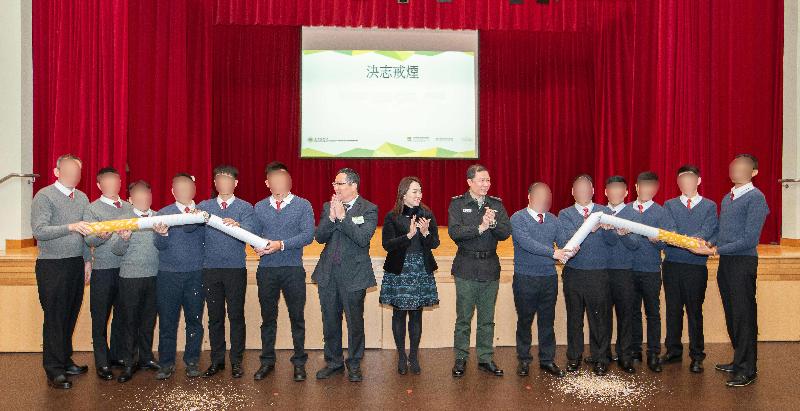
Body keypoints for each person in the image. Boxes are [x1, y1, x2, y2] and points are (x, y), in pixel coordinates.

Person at [691, 154, 769, 387]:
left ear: (754, 172)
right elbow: (722, 232)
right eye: (734, 166)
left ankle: (748, 369)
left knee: (744, 316)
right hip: (726, 263)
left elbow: (749, 239)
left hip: (742, 263)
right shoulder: (728, 198)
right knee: (733, 314)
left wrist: (715, 251)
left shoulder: (756, 198)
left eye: (743, 167)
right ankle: (739, 360)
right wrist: (707, 242)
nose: (736, 170)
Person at [31, 154, 93, 389]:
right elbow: (39, 230)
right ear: (56, 172)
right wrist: (70, 226)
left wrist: (87, 261)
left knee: (69, 314)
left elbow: (86, 234)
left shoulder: (83, 198)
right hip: (52, 265)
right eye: (67, 170)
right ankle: (54, 369)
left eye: (77, 171)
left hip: (76, 263)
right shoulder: (44, 196)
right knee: (55, 317)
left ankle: (65, 360)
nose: (73, 175)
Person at [312, 168, 378, 382]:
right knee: (330, 320)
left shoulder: (368, 208)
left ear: (353, 185)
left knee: (354, 322)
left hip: (355, 275)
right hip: (328, 274)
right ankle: (334, 362)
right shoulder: (327, 206)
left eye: (340, 184)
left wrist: (343, 218)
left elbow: (362, 238)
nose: (335, 188)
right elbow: (320, 237)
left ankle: (355, 363)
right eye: (335, 184)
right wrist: (331, 218)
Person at [251, 162, 315, 382]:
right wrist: (256, 245)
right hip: (266, 270)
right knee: (268, 318)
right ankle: (267, 361)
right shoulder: (258, 207)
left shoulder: (303, 205)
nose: (280, 184)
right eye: (275, 181)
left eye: (284, 180)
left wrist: (281, 244)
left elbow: (308, 235)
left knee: (297, 317)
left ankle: (299, 362)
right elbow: (253, 235)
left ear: (290, 182)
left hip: (293, 269)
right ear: (268, 183)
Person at [449, 164, 511, 378]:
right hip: (466, 266)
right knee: (463, 318)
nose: (486, 184)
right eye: (481, 180)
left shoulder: (496, 204)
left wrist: (492, 224)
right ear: (470, 182)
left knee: (487, 318)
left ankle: (485, 357)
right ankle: (461, 358)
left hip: (489, 267)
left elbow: (505, 232)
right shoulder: (458, 204)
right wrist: (480, 227)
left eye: (488, 180)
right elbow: (454, 232)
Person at [197, 165, 254, 379]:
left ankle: (237, 362)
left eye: (228, 179)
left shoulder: (245, 207)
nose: (224, 183)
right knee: (215, 318)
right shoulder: (205, 206)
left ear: (235, 184)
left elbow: (252, 231)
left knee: (236, 316)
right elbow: (195, 233)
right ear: (215, 183)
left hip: (235, 269)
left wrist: (238, 225)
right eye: (220, 179)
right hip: (210, 270)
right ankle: (217, 361)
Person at [380, 177, 440, 375]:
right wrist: (408, 235)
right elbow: (387, 245)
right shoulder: (392, 216)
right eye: (414, 191)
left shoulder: (426, 214)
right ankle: (401, 355)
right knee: (398, 313)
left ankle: (413, 356)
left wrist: (424, 233)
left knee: (416, 313)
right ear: (403, 193)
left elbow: (435, 244)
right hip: (400, 269)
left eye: (420, 191)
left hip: (420, 268)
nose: (419, 195)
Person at [661, 165, 718, 374]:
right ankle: (673, 351)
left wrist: (692, 241)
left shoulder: (710, 206)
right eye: (682, 180)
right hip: (672, 265)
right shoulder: (669, 205)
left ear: (698, 181)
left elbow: (710, 229)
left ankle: (697, 355)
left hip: (696, 267)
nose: (686, 184)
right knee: (673, 310)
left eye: (690, 179)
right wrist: (691, 242)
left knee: (695, 312)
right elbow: (669, 231)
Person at [557, 174, 614, 376]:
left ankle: (600, 358)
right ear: (573, 192)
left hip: (599, 274)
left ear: (593, 191)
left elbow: (613, 243)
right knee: (574, 318)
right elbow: (565, 240)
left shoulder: (605, 212)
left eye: (586, 188)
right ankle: (574, 357)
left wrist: (608, 230)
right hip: (573, 273)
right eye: (578, 188)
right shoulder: (564, 214)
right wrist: (590, 226)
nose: (582, 192)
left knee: (599, 318)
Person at [509, 182, 566, 378]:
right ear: (530, 197)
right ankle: (524, 359)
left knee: (547, 321)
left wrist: (576, 243)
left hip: (549, 278)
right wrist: (554, 253)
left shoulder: (554, 219)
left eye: (548, 195)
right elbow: (527, 243)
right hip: (526, 278)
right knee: (525, 320)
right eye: (541, 194)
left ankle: (547, 359)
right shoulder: (518, 218)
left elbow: (565, 242)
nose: (546, 199)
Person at [152, 173, 206, 380]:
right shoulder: (163, 213)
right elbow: (159, 246)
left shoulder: (203, 214)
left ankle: (192, 361)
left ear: (193, 190)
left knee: (194, 320)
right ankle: (166, 363)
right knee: (167, 321)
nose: (184, 192)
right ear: (173, 192)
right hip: (168, 276)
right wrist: (163, 234)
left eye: (188, 188)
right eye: (179, 189)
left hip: (195, 274)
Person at [82, 166, 131, 380]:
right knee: (100, 317)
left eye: (116, 181)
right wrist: (100, 235)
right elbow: (88, 239)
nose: (113, 185)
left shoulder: (130, 207)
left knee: (122, 315)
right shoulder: (92, 209)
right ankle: (102, 362)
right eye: (108, 182)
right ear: (99, 185)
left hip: (127, 269)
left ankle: (117, 355)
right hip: (103, 270)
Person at [112, 180, 161, 383]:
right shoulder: (123, 219)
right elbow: (116, 250)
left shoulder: (160, 217)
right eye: (139, 196)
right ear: (131, 200)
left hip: (155, 276)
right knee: (130, 321)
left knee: (149, 319)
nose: (144, 199)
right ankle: (129, 362)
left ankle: (146, 357)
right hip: (130, 277)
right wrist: (123, 239)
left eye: (147, 196)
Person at [628, 171, 675, 373]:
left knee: (653, 313)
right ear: (636, 187)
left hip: (650, 270)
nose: (646, 190)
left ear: (655, 190)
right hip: (628, 270)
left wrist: (658, 242)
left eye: (650, 187)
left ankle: (654, 353)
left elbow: (666, 244)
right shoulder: (626, 210)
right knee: (632, 312)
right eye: (642, 186)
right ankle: (635, 350)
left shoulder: (662, 212)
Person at [601, 176, 639, 374]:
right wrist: (609, 232)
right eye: (611, 189)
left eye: (619, 189)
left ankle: (625, 355)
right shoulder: (599, 212)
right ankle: (604, 355)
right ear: (606, 192)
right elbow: (603, 242)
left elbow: (636, 244)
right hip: (602, 271)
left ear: (626, 193)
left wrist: (624, 234)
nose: (615, 193)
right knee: (603, 315)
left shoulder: (633, 213)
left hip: (625, 271)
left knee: (626, 315)